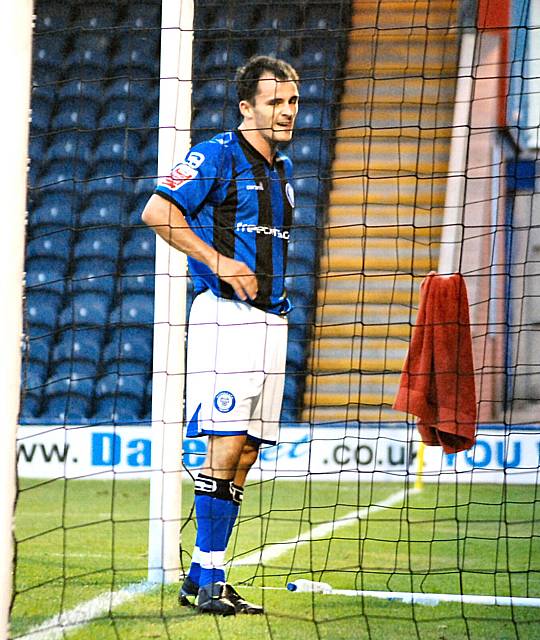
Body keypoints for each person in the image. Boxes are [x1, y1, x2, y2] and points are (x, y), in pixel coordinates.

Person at [142, 55, 300, 615]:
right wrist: (217, 260)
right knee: (226, 443)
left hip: (270, 323)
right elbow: (157, 212)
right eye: (274, 101)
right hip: (226, 318)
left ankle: (199, 575)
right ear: (245, 107)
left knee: (248, 453)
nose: (286, 111)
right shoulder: (214, 154)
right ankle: (212, 580)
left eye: (292, 102)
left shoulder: (280, 170)